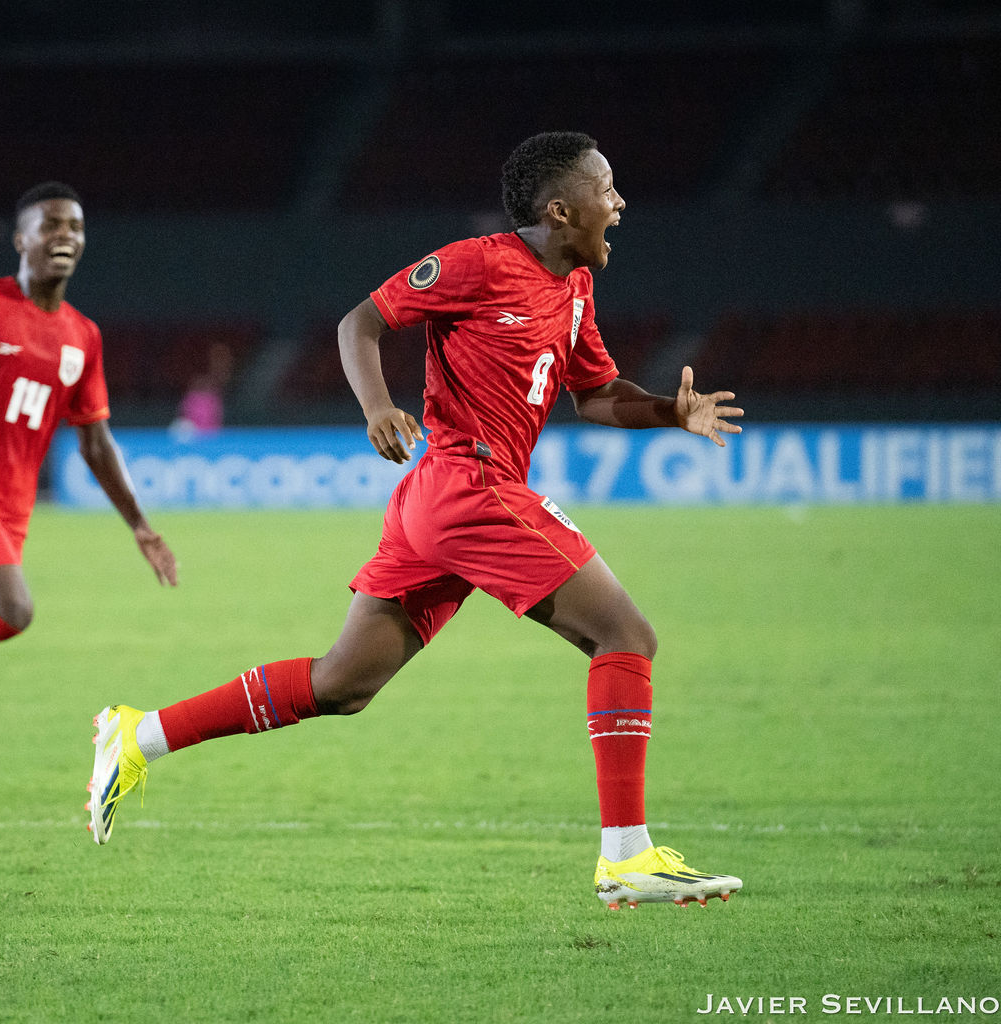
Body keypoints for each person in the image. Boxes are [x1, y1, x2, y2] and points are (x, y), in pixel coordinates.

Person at [87, 133, 744, 910]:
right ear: (562, 209)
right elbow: (358, 322)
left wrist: (671, 411)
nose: (621, 202)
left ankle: (139, 735)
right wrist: (377, 409)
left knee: (343, 684)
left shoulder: (573, 289)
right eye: (608, 188)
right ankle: (627, 858)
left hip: (447, 502)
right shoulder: (478, 262)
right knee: (626, 636)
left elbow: (594, 393)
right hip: (468, 486)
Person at [0, 183, 178, 648]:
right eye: (50, 225)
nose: (65, 234)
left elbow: (96, 442)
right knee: (13, 610)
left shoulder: (82, 335)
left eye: (75, 227)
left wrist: (140, 526)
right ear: (21, 240)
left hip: (12, 506)